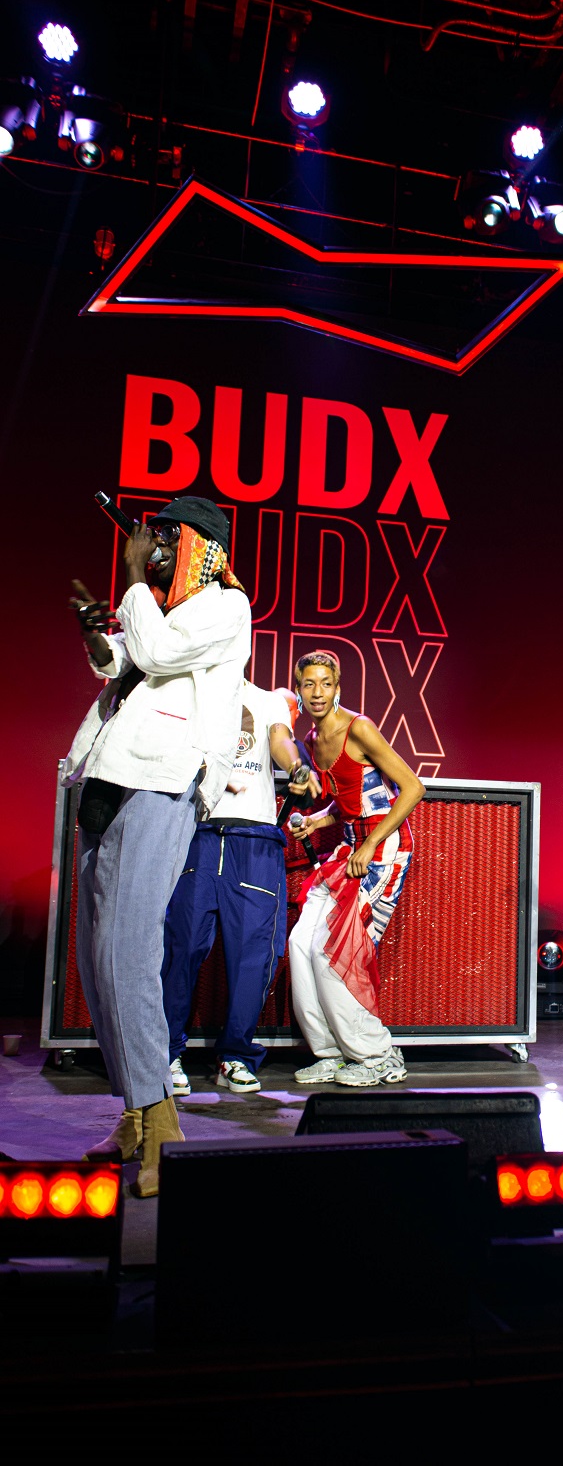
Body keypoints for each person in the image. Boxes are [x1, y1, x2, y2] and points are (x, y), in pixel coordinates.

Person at [65, 496, 250, 1195]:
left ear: (205, 546)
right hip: (111, 773)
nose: (158, 545)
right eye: (155, 536)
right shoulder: (162, 608)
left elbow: (158, 651)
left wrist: (135, 576)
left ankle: (163, 1121)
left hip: (164, 778)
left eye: (171, 536)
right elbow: (124, 661)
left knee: (130, 950)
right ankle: (135, 1115)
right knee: (99, 959)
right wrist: (96, 636)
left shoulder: (227, 607)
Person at [161, 681, 319, 1096]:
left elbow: (280, 739)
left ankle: (235, 1055)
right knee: (182, 946)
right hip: (198, 834)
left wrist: (297, 767)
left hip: (254, 839)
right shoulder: (193, 692)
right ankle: (166, 1053)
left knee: (253, 955)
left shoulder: (268, 701)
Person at [287, 650, 424, 1087]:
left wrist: (369, 843)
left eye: (325, 683)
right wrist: (316, 820)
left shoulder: (358, 727)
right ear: (299, 689)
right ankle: (330, 1052)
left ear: (338, 687)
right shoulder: (312, 739)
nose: (317, 692)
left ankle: (377, 1055)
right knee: (300, 943)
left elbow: (413, 788)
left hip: (383, 849)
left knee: (334, 951)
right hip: (350, 848)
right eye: (309, 684)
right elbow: (348, 800)